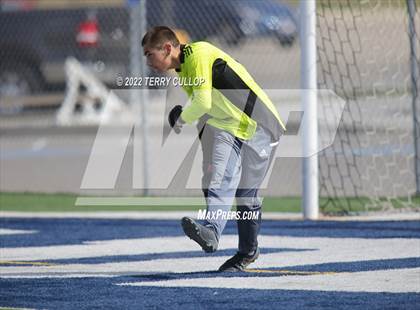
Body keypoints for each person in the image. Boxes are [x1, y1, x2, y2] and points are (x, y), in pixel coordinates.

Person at [142, 26, 286, 272]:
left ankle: (248, 252)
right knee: (219, 177)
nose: (148, 61)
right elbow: (208, 102)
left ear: (167, 48)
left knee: (246, 197)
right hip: (229, 127)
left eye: (149, 54)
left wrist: (181, 117)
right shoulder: (183, 69)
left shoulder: (198, 54)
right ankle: (211, 231)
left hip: (261, 126)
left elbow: (203, 101)